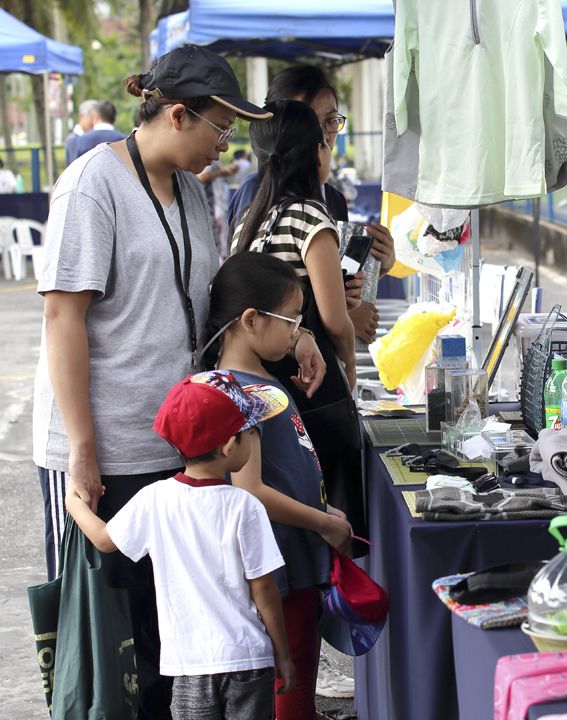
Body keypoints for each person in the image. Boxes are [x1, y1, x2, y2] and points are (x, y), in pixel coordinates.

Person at [32, 44, 324, 717]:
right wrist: (82, 446)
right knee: (110, 648)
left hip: (179, 447)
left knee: (174, 645)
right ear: (177, 113)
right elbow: (63, 317)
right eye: (220, 128)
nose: (225, 147)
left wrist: (296, 329)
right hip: (102, 449)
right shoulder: (91, 186)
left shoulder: (196, 195)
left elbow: (220, 297)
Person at [65, 371, 296, 718]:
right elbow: (263, 589)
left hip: (188, 665)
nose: (254, 437)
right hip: (248, 660)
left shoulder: (155, 499)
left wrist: (74, 504)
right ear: (230, 446)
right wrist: (283, 653)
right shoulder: (244, 506)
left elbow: (103, 539)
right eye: (251, 431)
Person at [201, 252, 353, 719]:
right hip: (276, 563)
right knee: (290, 672)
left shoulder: (256, 380)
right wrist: (323, 521)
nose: (296, 330)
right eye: (291, 319)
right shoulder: (237, 393)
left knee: (295, 670)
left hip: (291, 555)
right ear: (250, 320)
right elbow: (251, 491)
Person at [226, 64, 394, 346]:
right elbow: (254, 300)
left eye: (330, 121)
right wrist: (340, 318)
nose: (322, 136)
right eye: (306, 122)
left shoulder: (333, 199)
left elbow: (337, 279)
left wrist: (379, 265)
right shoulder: (255, 194)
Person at [64, 99, 97, 165]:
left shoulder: (93, 136)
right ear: (81, 116)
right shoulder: (73, 139)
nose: (94, 121)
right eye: (92, 117)